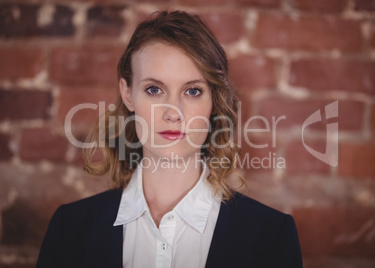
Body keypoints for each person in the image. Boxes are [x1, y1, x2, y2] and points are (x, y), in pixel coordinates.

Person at [37, 10, 302, 268]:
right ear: (127, 94)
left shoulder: (273, 238)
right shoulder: (69, 230)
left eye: (193, 91)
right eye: (154, 89)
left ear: (214, 100)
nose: (173, 113)